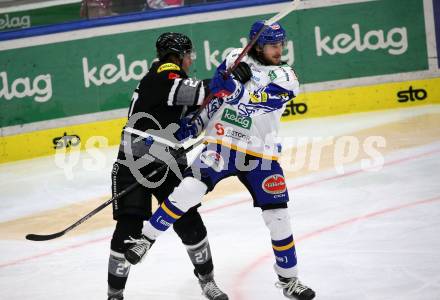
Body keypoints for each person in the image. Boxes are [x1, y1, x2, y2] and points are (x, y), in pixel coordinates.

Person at [124, 21, 316, 300]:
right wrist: (194, 124)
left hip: (261, 153)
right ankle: (145, 239)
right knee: (189, 189)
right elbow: (215, 98)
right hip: (223, 144)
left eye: (280, 45)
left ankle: (289, 281)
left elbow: (263, 103)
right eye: (273, 45)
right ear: (258, 45)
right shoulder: (232, 57)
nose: (279, 50)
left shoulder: (286, 75)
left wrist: (237, 91)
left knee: (279, 218)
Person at [107, 32, 229, 300]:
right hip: (135, 162)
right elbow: (198, 92)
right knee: (128, 231)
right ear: (180, 55)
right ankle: (114, 295)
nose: (190, 61)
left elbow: (193, 115)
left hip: (167, 161)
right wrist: (224, 79)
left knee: (189, 221)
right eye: (189, 55)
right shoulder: (164, 74)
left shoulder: (168, 79)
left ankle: (207, 282)